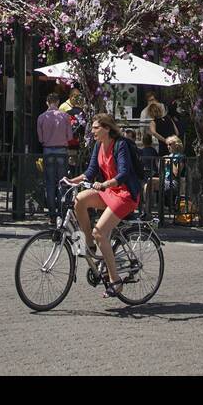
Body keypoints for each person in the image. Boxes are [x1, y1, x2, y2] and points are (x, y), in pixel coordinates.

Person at [68, 114, 143, 299]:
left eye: (95, 128)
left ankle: (115, 281)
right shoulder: (98, 146)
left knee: (100, 232)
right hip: (110, 191)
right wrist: (70, 181)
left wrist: (105, 184)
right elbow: (91, 172)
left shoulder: (121, 145)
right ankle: (90, 244)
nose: (92, 131)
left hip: (125, 194)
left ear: (107, 128)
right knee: (80, 200)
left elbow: (125, 173)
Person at [36, 91, 72, 224]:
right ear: (57, 102)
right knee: (62, 183)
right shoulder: (65, 116)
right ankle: (62, 213)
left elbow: (40, 138)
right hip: (62, 150)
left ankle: (52, 214)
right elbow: (70, 137)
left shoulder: (41, 117)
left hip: (48, 150)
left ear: (47, 102)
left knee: (50, 183)